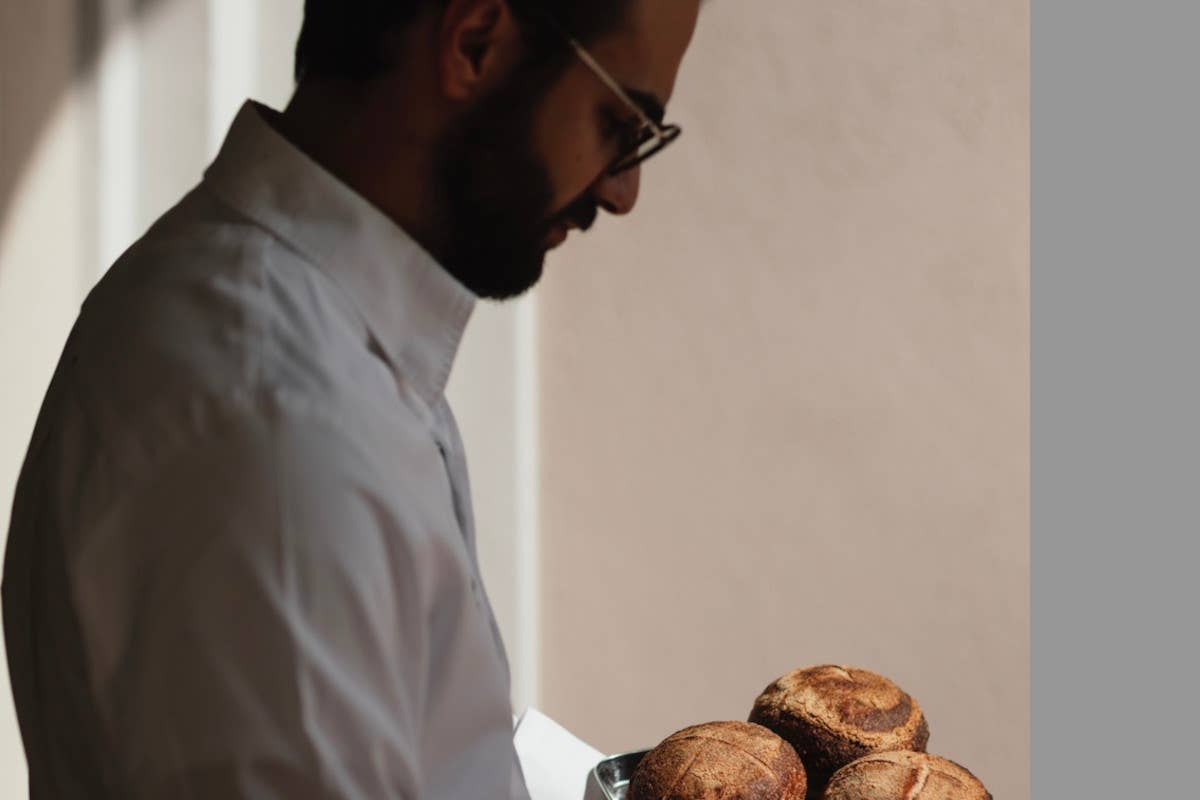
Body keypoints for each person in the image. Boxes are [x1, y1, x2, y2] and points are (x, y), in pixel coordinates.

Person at [1, 0, 702, 797]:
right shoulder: (273, 416)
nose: (623, 191)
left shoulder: (317, 343)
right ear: (475, 43)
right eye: (621, 122)